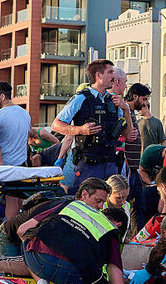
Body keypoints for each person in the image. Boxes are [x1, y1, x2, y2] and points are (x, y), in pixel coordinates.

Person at [19, 178, 127, 284]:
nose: (100, 207)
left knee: (28, 243)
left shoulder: (67, 205)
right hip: (71, 271)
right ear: (84, 194)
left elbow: (22, 230)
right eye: (98, 201)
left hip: (39, 260)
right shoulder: (109, 229)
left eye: (103, 202)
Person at [51, 59, 133, 195]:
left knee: (110, 202)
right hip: (88, 163)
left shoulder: (113, 101)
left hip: (110, 163)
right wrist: (80, 130)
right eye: (110, 72)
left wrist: (126, 111)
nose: (113, 76)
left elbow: (127, 134)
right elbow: (56, 125)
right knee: (86, 200)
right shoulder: (81, 98)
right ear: (98, 75)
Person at [0, 81, 32, 221]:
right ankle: (14, 229)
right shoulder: (25, 114)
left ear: (2, 96)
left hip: (2, 164)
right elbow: (26, 140)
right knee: (16, 200)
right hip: (20, 163)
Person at [122, 82, 150, 212]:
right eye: (143, 99)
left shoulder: (131, 113)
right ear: (134, 97)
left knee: (138, 205)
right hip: (128, 166)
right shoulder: (125, 111)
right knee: (131, 204)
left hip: (133, 167)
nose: (145, 103)